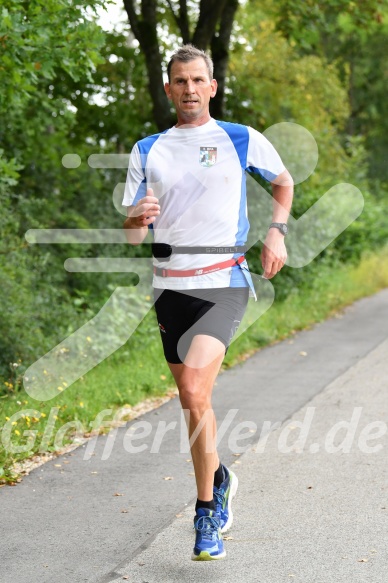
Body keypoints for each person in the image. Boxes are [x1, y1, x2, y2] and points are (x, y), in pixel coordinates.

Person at [123, 44, 293, 561]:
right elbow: (133, 240)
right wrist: (134, 219)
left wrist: (276, 232)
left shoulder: (241, 139)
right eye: (181, 81)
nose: (191, 89)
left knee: (196, 389)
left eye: (199, 80)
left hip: (224, 280)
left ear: (212, 87)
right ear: (170, 88)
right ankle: (218, 473)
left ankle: (206, 511)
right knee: (190, 400)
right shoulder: (147, 149)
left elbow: (283, 181)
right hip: (169, 287)